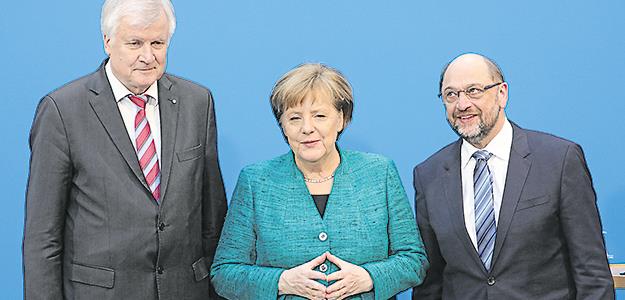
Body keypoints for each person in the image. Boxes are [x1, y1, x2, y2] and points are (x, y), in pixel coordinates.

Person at [22, 0, 228, 298]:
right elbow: (43, 237)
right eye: (135, 43)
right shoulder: (62, 111)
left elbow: (212, 217)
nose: (148, 56)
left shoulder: (198, 102)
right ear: (107, 41)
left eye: (157, 42)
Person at [210, 63, 428, 299]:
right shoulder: (255, 181)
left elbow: (413, 260)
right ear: (282, 126)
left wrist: (369, 278)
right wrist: (281, 282)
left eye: (319, 116)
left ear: (342, 119)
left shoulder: (380, 173)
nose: (307, 128)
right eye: (294, 118)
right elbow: (224, 274)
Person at [412, 53, 614, 299]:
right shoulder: (428, 175)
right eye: (451, 94)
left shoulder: (559, 160)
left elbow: (591, 271)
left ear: (502, 94)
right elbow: (430, 282)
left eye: (473, 90)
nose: (462, 104)